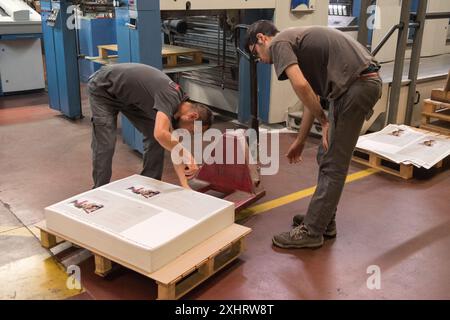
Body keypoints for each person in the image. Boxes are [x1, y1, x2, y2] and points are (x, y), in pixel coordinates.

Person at [246, 21, 382, 249]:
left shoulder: (280, 43)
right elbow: (311, 97)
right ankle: (324, 220)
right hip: (356, 85)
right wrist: (300, 140)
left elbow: (299, 85)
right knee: (325, 153)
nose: (259, 59)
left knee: (333, 163)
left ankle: (312, 231)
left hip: (357, 86)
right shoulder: (296, 43)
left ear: (262, 38)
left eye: (255, 53)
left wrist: (324, 120)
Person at [87, 63, 213, 189]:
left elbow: (173, 147)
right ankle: (99, 189)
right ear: (192, 116)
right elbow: (160, 133)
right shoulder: (170, 98)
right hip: (103, 88)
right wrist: (187, 154)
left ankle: (150, 185)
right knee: (106, 143)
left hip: (126, 97)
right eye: (191, 130)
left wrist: (185, 186)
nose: (187, 133)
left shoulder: (178, 107)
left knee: (157, 138)